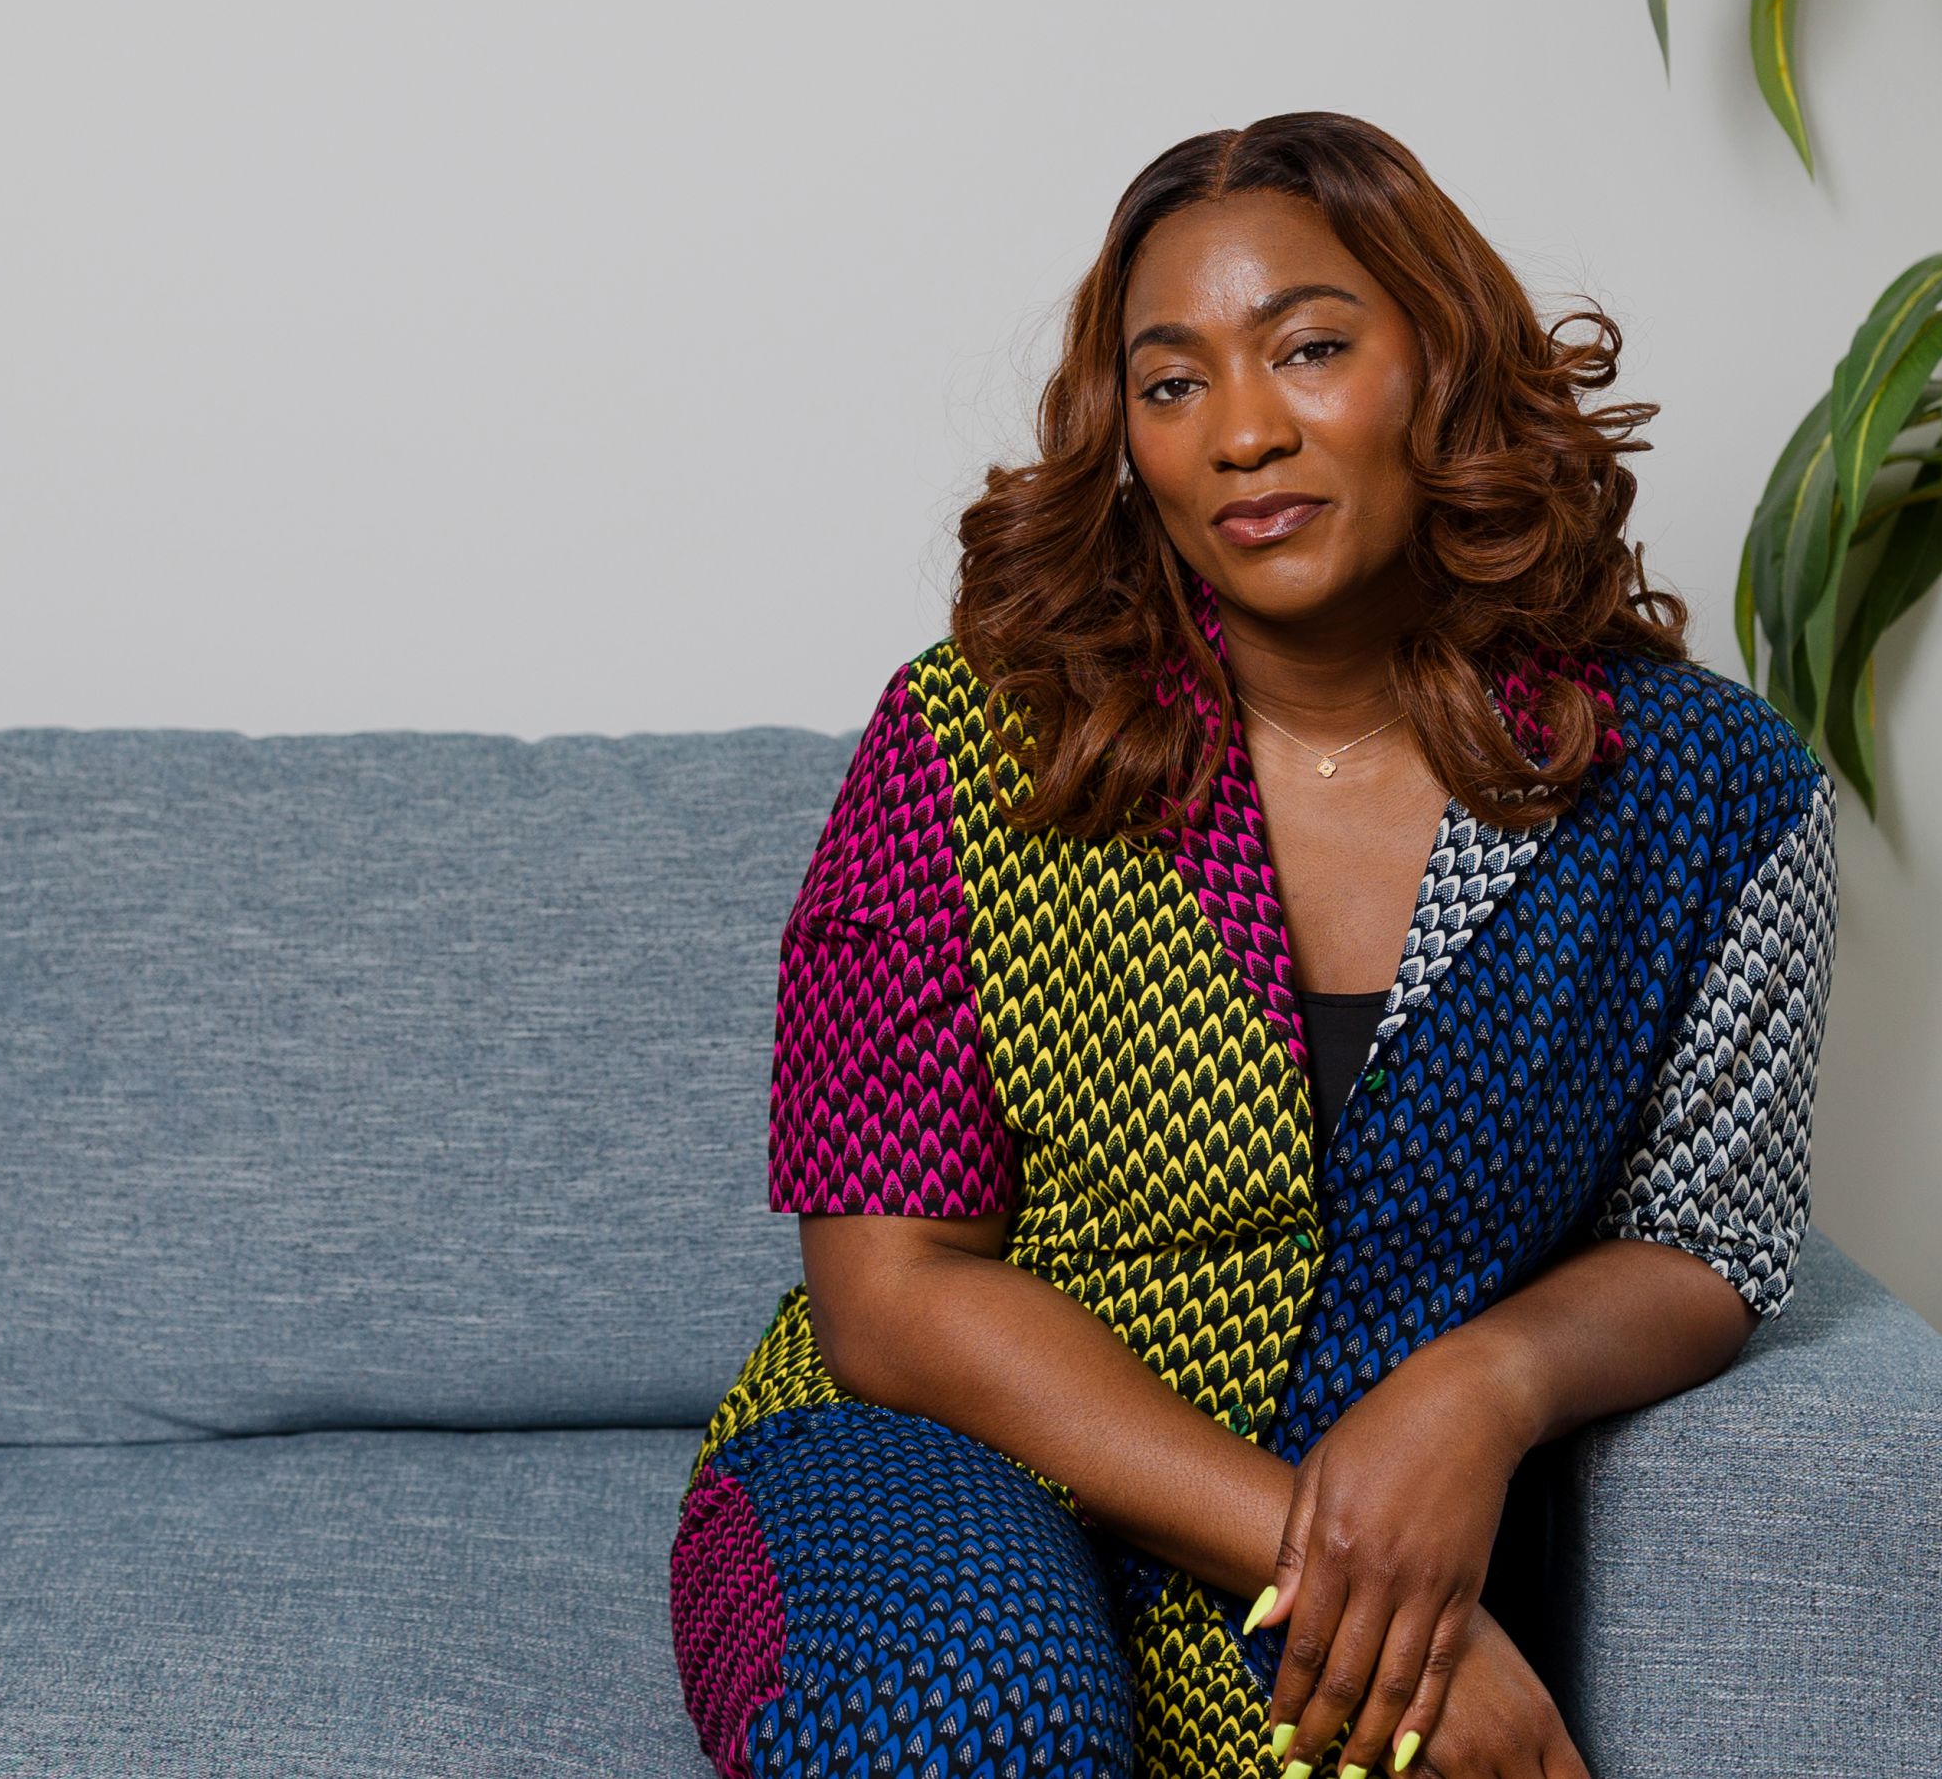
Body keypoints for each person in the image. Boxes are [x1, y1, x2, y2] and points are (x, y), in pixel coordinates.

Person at [673, 115, 1836, 1779]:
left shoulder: (1710, 796)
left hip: (1364, 1500)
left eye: (1308, 348)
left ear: (1438, 366)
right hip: (928, 1459)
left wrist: (1484, 1389)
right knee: (976, 1729)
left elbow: (1706, 1237)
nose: (1241, 431)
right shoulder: (968, 740)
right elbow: (893, 1298)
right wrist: (1329, 1562)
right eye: (1172, 382)